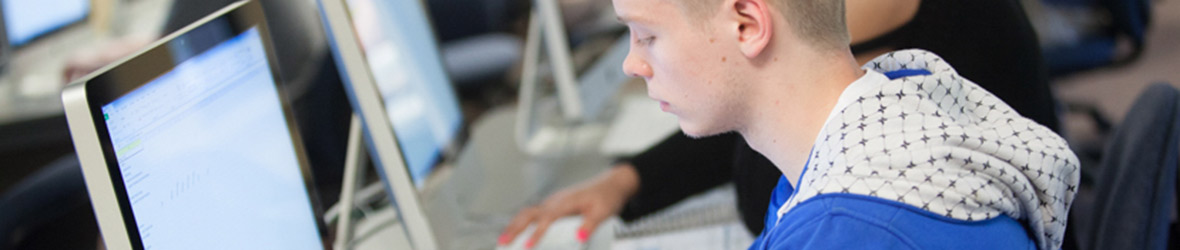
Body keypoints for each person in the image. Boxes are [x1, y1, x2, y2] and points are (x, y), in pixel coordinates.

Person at [501, 0, 1079, 249]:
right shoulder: (882, 115)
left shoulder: (850, 227)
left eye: (647, 35)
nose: (632, 62)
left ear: (749, 25)